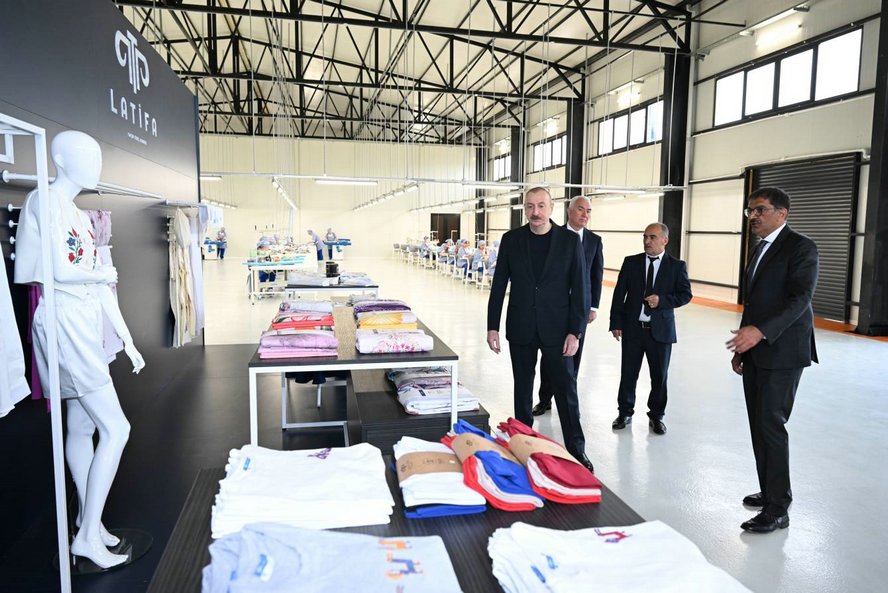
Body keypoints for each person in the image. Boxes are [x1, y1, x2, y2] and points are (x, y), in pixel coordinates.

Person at [13, 130, 146, 569]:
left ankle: (90, 520)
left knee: (82, 425)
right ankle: (87, 537)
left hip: (81, 319)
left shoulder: (74, 211)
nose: (97, 164)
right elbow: (56, 271)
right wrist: (100, 274)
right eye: (88, 155)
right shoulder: (45, 200)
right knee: (116, 428)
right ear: (62, 159)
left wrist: (127, 339)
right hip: (64, 320)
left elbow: (95, 278)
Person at [727, 187, 818, 534]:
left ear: (782, 213)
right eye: (750, 210)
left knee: (771, 425)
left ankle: (778, 509)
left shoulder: (801, 247)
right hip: (757, 350)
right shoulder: (758, 248)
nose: (753, 216)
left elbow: (800, 299)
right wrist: (743, 347)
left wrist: (760, 332)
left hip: (784, 351)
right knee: (758, 424)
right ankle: (770, 491)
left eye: (760, 210)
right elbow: (754, 305)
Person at [486, 187, 593, 471]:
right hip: (521, 326)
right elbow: (499, 285)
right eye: (530, 206)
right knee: (522, 389)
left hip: (558, 330)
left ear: (552, 208)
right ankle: (524, 446)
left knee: (566, 390)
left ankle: (577, 450)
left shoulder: (569, 241)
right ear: (524, 208)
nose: (535, 212)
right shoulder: (511, 240)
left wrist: (575, 332)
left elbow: (580, 290)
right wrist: (492, 326)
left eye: (541, 206)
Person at [608, 222, 691, 435]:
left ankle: (656, 416)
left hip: (661, 332)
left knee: (659, 377)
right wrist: (615, 322)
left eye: (652, 237)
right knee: (628, 374)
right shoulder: (631, 262)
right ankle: (624, 413)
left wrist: (662, 301)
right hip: (633, 329)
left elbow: (685, 295)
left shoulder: (676, 266)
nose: (647, 241)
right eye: (645, 237)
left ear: (665, 240)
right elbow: (619, 294)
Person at [533, 196, 604, 416]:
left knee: (574, 354)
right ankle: (545, 399)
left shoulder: (594, 241)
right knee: (549, 356)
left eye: (588, 211)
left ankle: (569, 401)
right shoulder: (553, 235)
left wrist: (593, 307)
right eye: (581, 209)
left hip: (580, 309)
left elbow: (596, 276)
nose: (585, 215)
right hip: (554, 308)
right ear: (569, 211)